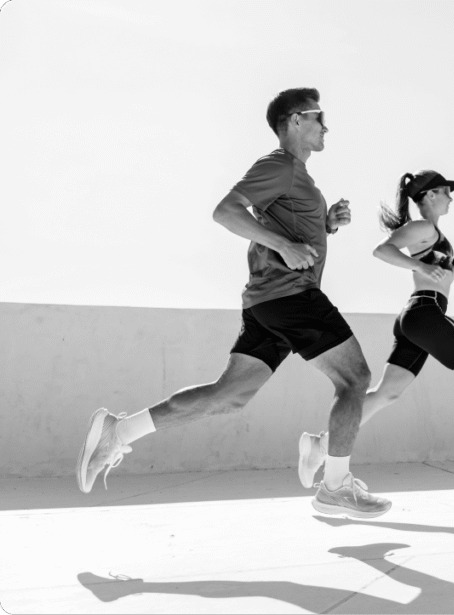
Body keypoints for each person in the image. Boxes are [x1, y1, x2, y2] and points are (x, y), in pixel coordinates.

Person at [75, 87, 390, 519]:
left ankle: (119, 430)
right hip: (291, 295)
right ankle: (335, 485)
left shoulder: (296, 176)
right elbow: (226, 211)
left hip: (268, 302)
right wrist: (284, 245)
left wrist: (326, 223)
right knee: (355, 379)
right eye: (319, 117)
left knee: (229, 395)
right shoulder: (279, 165)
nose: (326, 126)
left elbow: (289, 225)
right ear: (296, 120)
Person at [297, 170, 454, 487]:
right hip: (424, 312)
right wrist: (420, 265)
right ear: (430, 195)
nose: (451, 198)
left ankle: (320, 446)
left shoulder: (434, 234)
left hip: (418, 316)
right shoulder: (422, 227)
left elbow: (442, 281)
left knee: (387, 393)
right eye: (446, 192)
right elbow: (382, 250)